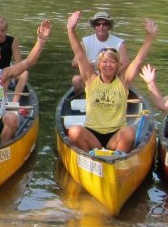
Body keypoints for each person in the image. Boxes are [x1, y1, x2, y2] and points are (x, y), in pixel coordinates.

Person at [65, 10, 158, 154]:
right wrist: (70, 29)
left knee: (129, 133)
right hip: (92, 134)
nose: (108, 65)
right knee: (74, 132)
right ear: (98, 65)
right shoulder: (90, 79)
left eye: (112, 62)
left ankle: (115, 158)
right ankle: (90, 156)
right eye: (105, 62)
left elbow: (138, 59)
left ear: (118, 65)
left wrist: (150, 36)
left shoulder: (123, 82)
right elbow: (79, 53)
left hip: (115, 136)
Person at [71, 11, 129, 93]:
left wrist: (110, 74)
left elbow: (125, 63)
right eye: (98, 24)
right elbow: (74, 63)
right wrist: (88, 65)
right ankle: (84, 100)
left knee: (124, 78)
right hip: (92, 76)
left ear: (109, 26)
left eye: (104, 24)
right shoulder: (85, 41)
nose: (101, 26)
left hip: (113, 76)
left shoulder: (119, 43)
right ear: (94, 27)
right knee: (76, 80)